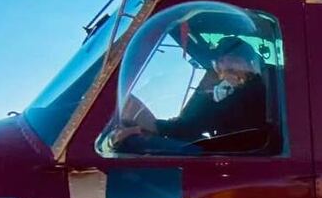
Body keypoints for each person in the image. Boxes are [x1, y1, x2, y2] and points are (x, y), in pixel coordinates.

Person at [113, 35, 269, 153]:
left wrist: (152, 127)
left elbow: (195, 124)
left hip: (237, 157)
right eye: (221, 62)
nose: (225, 67)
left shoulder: (255, 92)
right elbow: (193, 123)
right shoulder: (225, 93)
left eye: (232, 61)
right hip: (225, 153)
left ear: (250, 64)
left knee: (134, 144)